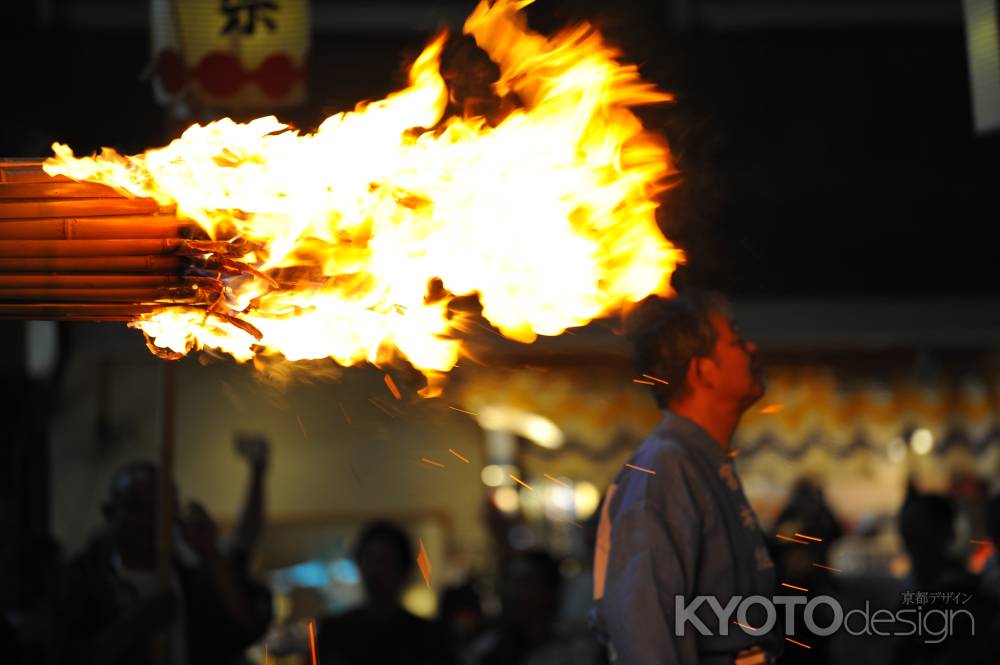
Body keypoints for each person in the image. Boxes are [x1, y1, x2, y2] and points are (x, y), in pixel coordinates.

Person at [590, 291, 782, 665]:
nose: (752, 347)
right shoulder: (665, 468)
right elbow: (646, 631)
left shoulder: (697, 460)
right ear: (702, 371)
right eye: (737, 341)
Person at [57, 446, 272, 665]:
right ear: (110, 512)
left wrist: (212, 554)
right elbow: (67, 655)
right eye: (138, 507)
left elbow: (246, 625)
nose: (152, 520)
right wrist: (133, 626)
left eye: (162, 508)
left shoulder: (190, 574)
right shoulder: (84, 580)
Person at [317, 521, 455, 665]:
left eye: (383, 561)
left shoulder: (429, 636)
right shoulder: (334, 632)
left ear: (403, 569)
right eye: (370, 560)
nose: (375, 571)